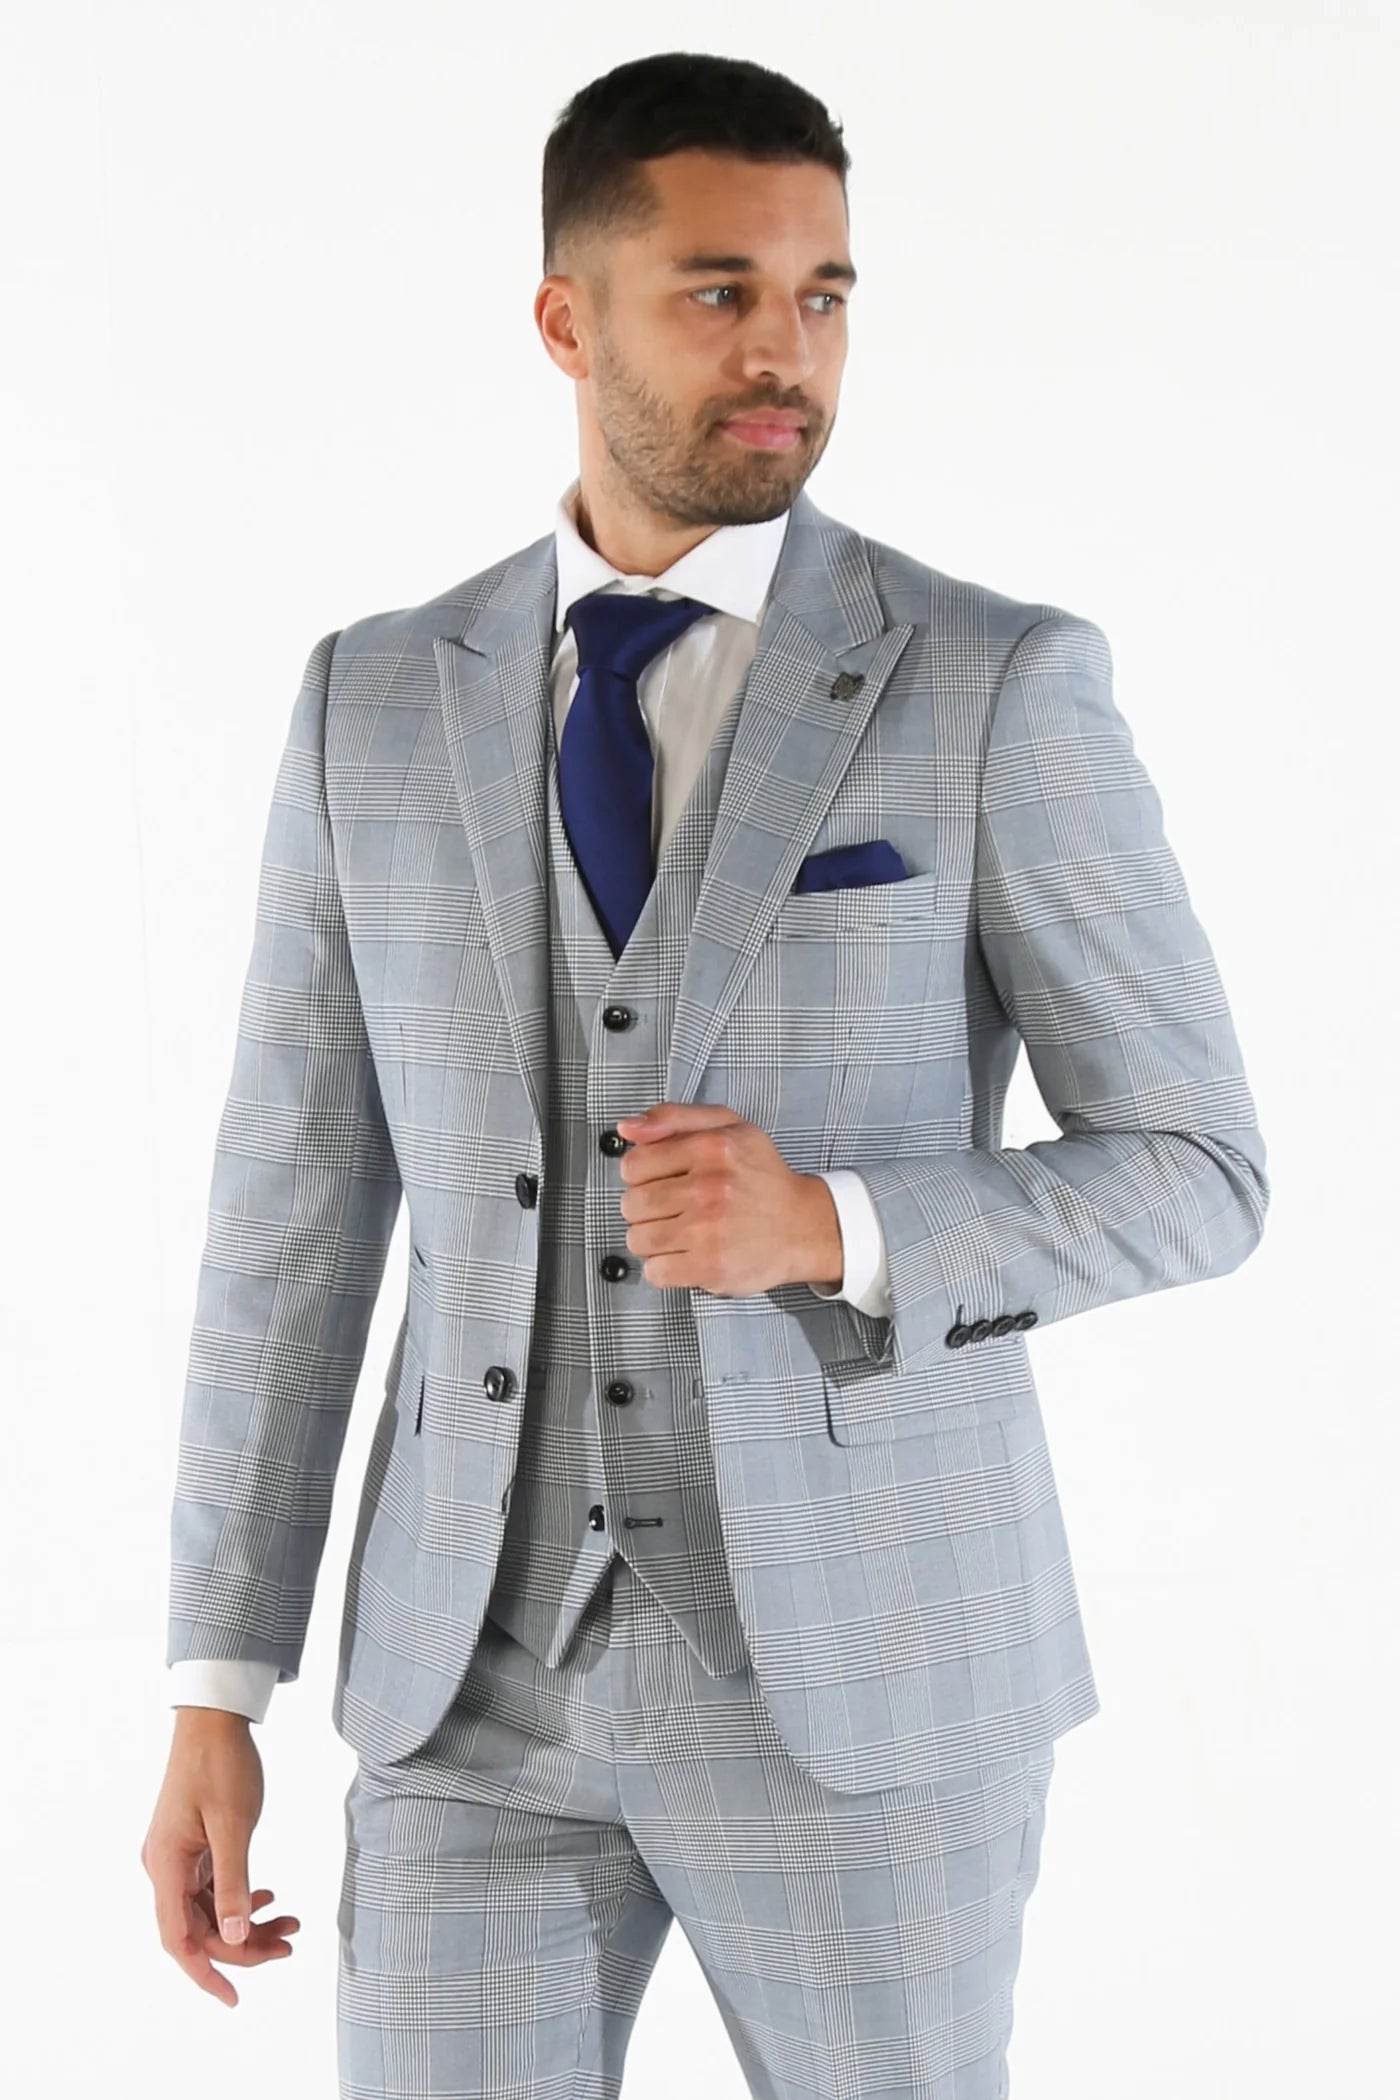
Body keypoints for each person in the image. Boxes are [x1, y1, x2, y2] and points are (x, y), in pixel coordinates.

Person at [142, 48, 1270, 2097]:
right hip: (467, 1693)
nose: (786, 354)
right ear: (566, 319)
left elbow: (1197, 1165)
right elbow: (289, 1216)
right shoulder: (369, 703)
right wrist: (218, 1679)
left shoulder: (993, 683)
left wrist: (838, 1226)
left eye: (824, 295)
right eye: (721, 291)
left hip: (868, 1685)